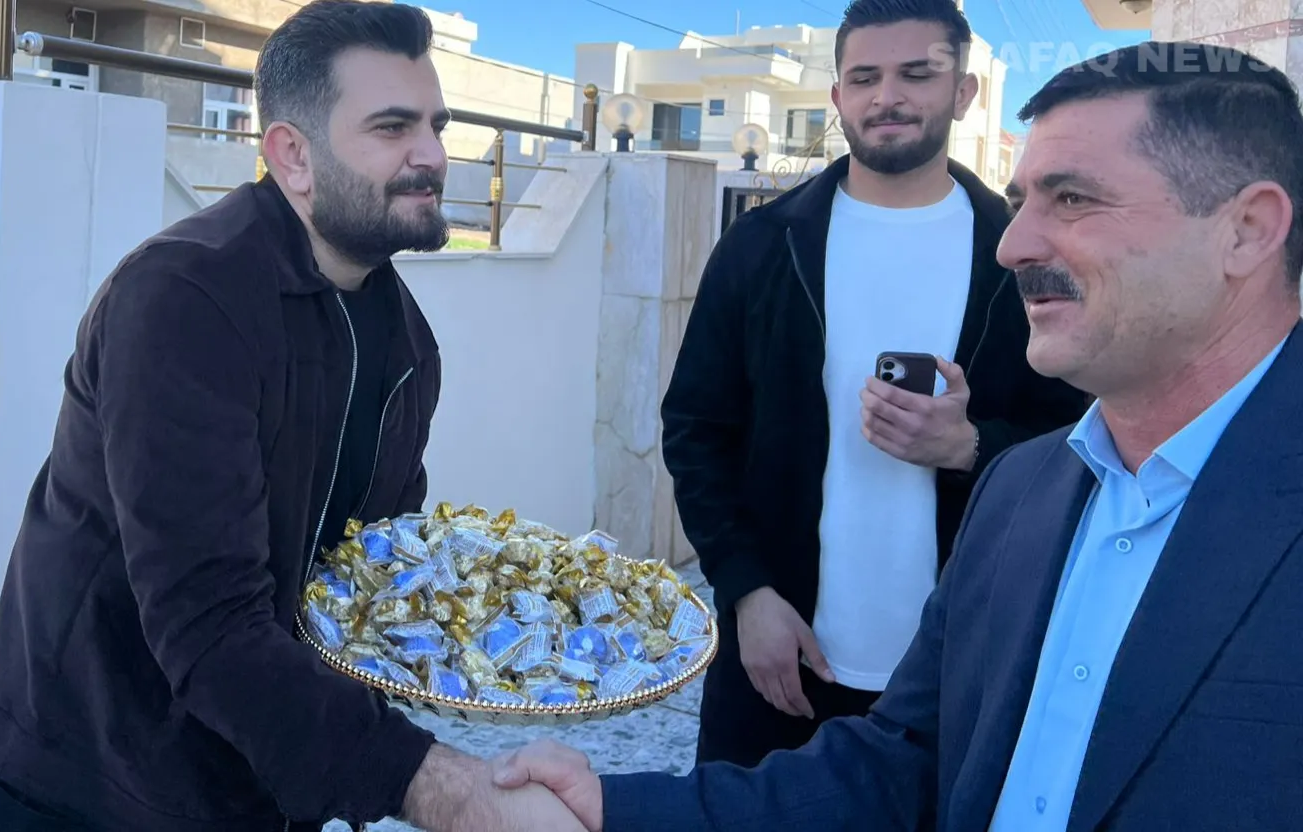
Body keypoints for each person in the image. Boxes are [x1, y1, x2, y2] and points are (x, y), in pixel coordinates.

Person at [492, 39, 1303, 832]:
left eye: (1074, 199)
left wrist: (966, 446)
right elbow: (900, 765)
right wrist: (616, 804)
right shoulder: (1024, 491)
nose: (1016, 245)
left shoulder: (1018, 465)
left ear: (1247, 230)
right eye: (1025, 200)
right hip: (793, 663)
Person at [0, 2, 582, 831]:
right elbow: (208, 621)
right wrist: (448, 790)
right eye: (392, 127)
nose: (432, 154)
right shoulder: (185, 300)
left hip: (264, 792)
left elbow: (365, 578)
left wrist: (513, 629)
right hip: (89, 788)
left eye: (436, 126)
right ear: (292, 155)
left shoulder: (406, 339)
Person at [661, 0, 1087, 768]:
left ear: (963, 92)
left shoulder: (1020, 257)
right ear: (838, 97)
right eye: (864, 78)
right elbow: (697, 429)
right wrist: (746, 592)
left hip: (962, 668)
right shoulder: (763, 245)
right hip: (781, 659)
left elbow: (1083, 441)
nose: (886, 96)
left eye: (916, 74)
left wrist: (969, 447)